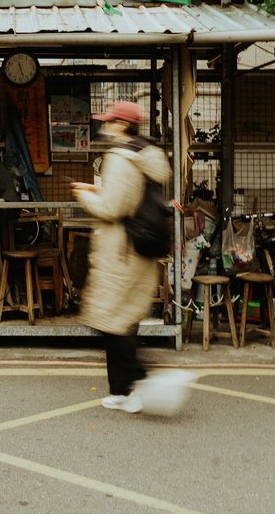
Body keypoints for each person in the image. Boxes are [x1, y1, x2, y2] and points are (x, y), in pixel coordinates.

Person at [71, 100, 171, 414]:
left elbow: (112, 208)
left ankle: (141, 383)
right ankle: (120, 390)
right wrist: (98, 190)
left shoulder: (119, 158)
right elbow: (129, 198)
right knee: (121, 320)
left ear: (122, 125)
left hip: (121, 252)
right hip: (138, 251)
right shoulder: (146, 156)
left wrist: (85, 196)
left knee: (113, 321)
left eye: (110, 121)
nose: (104, 126)